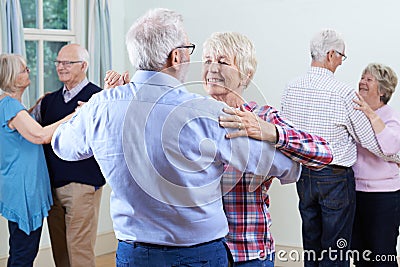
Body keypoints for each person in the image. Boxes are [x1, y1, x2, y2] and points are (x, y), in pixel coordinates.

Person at [51, 8, 301, 267]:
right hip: (199, 256)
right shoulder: (205, 113)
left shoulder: (102, 105)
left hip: (133, 255)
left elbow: (63, 146)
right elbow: (287, 168)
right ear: (176, 57)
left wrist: (97, 108)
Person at [105, 31, 333, 267]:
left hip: (248, 252)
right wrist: (122, 102)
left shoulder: (262, 117)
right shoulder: (188, 114)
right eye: (207, 61)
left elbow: (324, 153)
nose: (212, 69)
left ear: (246, 74)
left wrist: (271, 132)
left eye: (223, 62)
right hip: (196, 254)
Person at [280, 29, 400, 266]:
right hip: (334, 177)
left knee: (311, 241)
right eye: (341, 57)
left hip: (304, 175)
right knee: (337, 248)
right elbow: (369, 141)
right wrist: (395, 156)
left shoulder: (291, 87)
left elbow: (285, 131)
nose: (340, 63)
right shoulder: (342, 92)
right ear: (331, 54)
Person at [32, 44, 105, 267]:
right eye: (58, 62)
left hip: (82, 185)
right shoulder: (48, 101)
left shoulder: (99, 98)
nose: (61, 67)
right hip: (52, 186)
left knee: (79, 250)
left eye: (67, 63)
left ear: (83, 66)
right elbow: (30, 130)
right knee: (60, 251)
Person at [0, 54, 70, 266]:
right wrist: (76, 114)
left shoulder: (8, 105)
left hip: (17, 185)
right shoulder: (11, 107)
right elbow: (40, 136)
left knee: (22, 248)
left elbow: (17, 131)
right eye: (23, 70)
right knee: (24, 253)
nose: (27, 72)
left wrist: (34, 108)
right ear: (12, 77)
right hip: (23, 190)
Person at [351, 63, 400, 267]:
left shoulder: (391, 116)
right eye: (362, 77)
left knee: (381, 254)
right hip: (354, 192)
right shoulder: (355, 112)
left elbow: (390, 146)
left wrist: (371, 114)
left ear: (382, 90)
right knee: (359, 253)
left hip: (384, 196)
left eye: (369, 79)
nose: (362, 81)